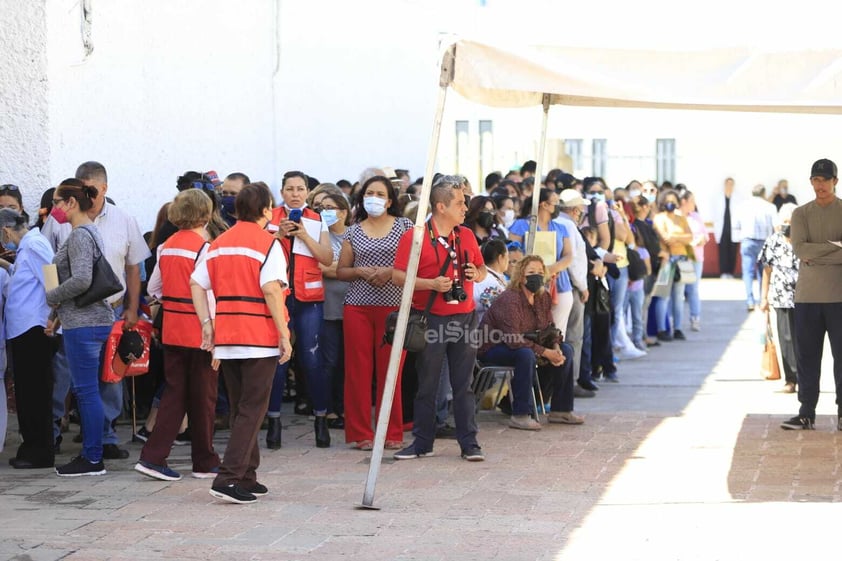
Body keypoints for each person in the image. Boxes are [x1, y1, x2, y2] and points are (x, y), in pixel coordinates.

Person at [190, 182, 292, 503]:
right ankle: (229, 476)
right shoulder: (268, 244)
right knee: (252, 409)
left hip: (228, 337)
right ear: (265, 211)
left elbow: (196, 283)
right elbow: (272, 290)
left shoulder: (217, 243)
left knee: (240, 407)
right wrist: (284, 334)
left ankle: (247, 475)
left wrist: (207, 323)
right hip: (258, 336)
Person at [392, 175, 487, 461]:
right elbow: (398, 277)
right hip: (431, 318)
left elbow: (482, 269)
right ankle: (422, 442)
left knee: (464, 384)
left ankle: (469, 443)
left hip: (465, 316)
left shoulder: (467, 235)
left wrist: (476, 274)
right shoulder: (416, 236)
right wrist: (430, 284)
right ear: (441, 206)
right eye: (459, 203)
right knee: (428, 384)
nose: (465, 208)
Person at [134, 190, 221, 481]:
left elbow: (153, 289)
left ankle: (155, 455)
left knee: (175, 392)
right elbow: (208, 293)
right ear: (206, 215)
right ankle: (203, 460)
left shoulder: (166, 246)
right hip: (199, 327)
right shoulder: (204, 247)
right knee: (204, 396)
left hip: (171, 326)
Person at [75, 161, 152, 461]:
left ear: (104, 188)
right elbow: (49, 264)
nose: (85, 195)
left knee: (111, 374)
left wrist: (133, 308)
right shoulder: (64, 218)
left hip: (113, 310)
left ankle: (105, 436)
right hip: (76, 313)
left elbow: (134, 268)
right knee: (75, 377)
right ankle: (75, 434)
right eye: (80, 188)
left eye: (90, 189)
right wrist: (53, 302)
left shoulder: (124, 219)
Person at [337, 175, 413, 450]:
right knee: (358, 371)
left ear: (390, 200)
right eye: (370, 192)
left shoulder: (406, 227)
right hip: (358, 306)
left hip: (394, 308)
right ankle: (360, 433)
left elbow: (416, 263)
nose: (374, 197)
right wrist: (359, 271)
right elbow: (341, 271)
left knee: (391, 370)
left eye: (380, 194)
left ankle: (392, 432)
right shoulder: (353, 231)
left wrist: (390, 272)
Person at [46, 179, 115, 476]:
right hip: (87, 320)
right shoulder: (88, 231)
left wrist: (53, 296)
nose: (55, 209)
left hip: (85, 325)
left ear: (71, 203)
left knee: (86, 392)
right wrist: (60, 312)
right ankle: (93, 454)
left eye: (58, 202)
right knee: (89, 391)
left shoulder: (79, 236)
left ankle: (92, 457)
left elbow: (83, 280)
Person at [266, 171, 333, 448]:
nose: (295, 193)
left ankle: (320, 418)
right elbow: (258, 253)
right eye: (290, 189)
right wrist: (278, 235)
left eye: (300, 189)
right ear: (281, 192)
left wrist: (305, 235)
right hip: (279, 297)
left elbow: (327, 258)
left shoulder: (318, 220)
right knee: (279, 359)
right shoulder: (269, 219)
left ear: (308, 192)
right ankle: (274, 421)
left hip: (309, 298)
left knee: (312, 359)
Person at [478, 255, 584, 430]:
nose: (537, 276)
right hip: (494, 347)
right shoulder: (510, 299)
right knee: (525, 355)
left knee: (567, 349)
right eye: (531, 272)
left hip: (525, 344)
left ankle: (561, 410)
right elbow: (513, 339)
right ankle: (520, 414)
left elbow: (551, 328)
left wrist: (555, 347)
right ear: (521, 276)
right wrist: (545, 352)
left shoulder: (543, 298)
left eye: (540, 272)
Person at [781, 159, 842, 430]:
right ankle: (806, 412)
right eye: (816, 180)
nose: (820, 185)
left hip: (839, 296)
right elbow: (801, 251)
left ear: (835, 182)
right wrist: (835, 250)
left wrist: (816, 254)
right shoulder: (800, 214)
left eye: (825, 180)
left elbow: (810, 253)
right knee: (807, 357)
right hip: (807, 297)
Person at [0, 209, 55, 468]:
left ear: (6, 230)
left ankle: (39, 451)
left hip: (34, 329)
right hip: (25, 330)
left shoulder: (34, 245)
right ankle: (31, 447)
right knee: (27, 391)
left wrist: (54, 317)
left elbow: (52, 280)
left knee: (34, 392)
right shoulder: (28, 247)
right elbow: (26, 277)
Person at [507, 189, 574, 339]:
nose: (558, 206)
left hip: (560, 284)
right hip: (529, 285)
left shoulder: (561, 227)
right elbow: (512, 254)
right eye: (555, 202)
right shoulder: (520, 225)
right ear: (544, 204)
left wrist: (551, 269)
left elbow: (569, 255)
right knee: (533, 332)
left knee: (557, 333)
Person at [312, 187, 351, 428]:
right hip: (328, 309)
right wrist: (343, 268)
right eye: (321, 209)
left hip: (352, 306)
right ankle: (327, 410)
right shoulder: (318, 237)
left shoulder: (353, 235)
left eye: (330, 208)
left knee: (348, 363)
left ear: (343, 212)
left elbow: (355, 267)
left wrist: (338, 267)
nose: (324, 213)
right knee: (329, 362)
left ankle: (344, 407)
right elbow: (321, 267)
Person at [555, 189, 593, 395]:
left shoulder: (558, 223)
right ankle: (571, 380)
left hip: (564, 284)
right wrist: (583, 286)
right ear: (575, 210)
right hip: (570, 285)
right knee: (573, 336)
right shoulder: (568, 225)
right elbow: (575, 260)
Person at [759, 203, 799, 394]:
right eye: (784, 222)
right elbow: (766, 270)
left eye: (791, 222)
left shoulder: (805, 240)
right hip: (781, 297)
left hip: (805, 297)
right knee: (786, 338)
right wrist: (763, 297)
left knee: (804, 338)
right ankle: (791, 380)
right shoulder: (773, 241)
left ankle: (805, 378)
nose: (787, 225)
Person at [652, 190, 693, 341]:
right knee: (663, 295)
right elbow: (665, 238)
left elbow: (690, 237)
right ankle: (662, 329)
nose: (671, 203)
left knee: (679, 296)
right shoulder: (659, 218)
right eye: (668, 200)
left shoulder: (681, 218)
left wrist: (675, 237)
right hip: (666, 260)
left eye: (673, 200)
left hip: (682, 258)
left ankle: (678, 328)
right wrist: (681, 237)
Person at [734, 184, 777, 311]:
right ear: (764, 194)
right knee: (763, 272)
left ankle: (750, 300)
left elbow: (736, 225)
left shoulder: (742, 206)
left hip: (748, 241)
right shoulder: (770, 207)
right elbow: (776, 226)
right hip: (765, 242)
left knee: (747, 272)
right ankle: (761, 300)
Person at [679, 190, 708, 331]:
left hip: (696, 257)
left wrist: (701, 239)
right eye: (692, 200)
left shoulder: (696, 216)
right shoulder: (677, 217)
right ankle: (676, 322)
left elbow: (705, 235)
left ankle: (695, 318)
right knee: (679, 290)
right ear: (684, 201)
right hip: (683, 257)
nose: (694, 203)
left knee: (693, 289)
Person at [473, 239, 509, 321]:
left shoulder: (486, 276)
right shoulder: (490, 282)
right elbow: (502, 314)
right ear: (500, 258)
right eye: (507, 256)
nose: (508, 260)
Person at [712, 177, 739, 278]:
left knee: (733, 251)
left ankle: (730, 272)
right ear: (725, 185)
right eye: (728, 184)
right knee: (723, 251)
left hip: (734, 229)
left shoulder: (737, 198)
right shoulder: (719, 198)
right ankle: (723, 272)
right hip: (722, 228)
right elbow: (715, 214)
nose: (729, 186)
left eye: (731, 184)